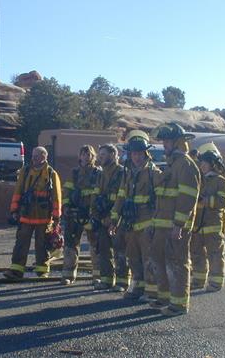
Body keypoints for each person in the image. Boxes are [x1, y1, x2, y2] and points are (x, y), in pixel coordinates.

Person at [149, 122, 201, 316]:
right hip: (162, 225)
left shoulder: (186, 165)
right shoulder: (172, 165)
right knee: (160, 260)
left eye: (168, 141)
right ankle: (164, 297)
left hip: (175, 227)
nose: (164, 145)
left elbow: (187, 199)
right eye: (163, 141)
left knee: (177, 262)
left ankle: (178, 304)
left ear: (178, 142)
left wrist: (179, 225)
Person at [110, 130, 161, 301]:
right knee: (133, 257)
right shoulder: (128, 173)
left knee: (149, 258)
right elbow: (121, 197)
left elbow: (160, 201)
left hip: (147, 223)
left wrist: (156, 223)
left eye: (140, 153)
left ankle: (152, 291)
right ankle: (137, 287)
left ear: (146, 153)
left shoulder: (155, 173)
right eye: (134, 153)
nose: (137, 157)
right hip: (130, 223)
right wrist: (114, 219)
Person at [4, 146, 62, 279]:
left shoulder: (51, 173)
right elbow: (18, 192)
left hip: (44, 216)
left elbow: (56, 197)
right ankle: (16, 270)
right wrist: (14, 210)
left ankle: (42, 271)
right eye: (33, 155)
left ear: (44, 157)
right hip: (26, 214)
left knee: (42, 244)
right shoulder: (25, 172)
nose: (34, 157)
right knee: (21, 243)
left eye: (38, 155)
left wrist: (56, 217)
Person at [190, 150, 225, 292]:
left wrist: (206, 201)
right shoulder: (198, 180)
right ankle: (198, 280)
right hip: (197, 225)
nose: (202, 165)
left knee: (215, 254)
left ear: (212, 164)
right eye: (201, 163)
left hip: (213, 224)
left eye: (205, 163)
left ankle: (215, 282)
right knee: (196, 253)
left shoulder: (220, 181)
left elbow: (224, 200)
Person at [90, 144, 129, 291]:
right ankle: (106, 280)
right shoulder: (100, 173)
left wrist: (113, 218)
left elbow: (122, 197)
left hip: (117, 219)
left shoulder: (122, 172)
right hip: (101, 218)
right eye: (99, 155)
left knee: (120, 250)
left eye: (104, 155)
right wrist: (96, 215)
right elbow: (95, 195)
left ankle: (122, 282)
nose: (100, 157)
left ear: (113, 155)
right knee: (104, 250)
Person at [60, 145, 101, 285]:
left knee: (96, 245)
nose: (85, 156)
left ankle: (97, 276)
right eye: (83, 154)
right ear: (79, 156)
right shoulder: (74, 173)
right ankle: (68, 275)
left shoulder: (98, 173)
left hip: (91, 213)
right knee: (71, 244)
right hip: (74, 213)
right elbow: (67, 190)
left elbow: (100, 193)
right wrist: (65, 206)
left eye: (88, 154)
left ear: (93, 156)